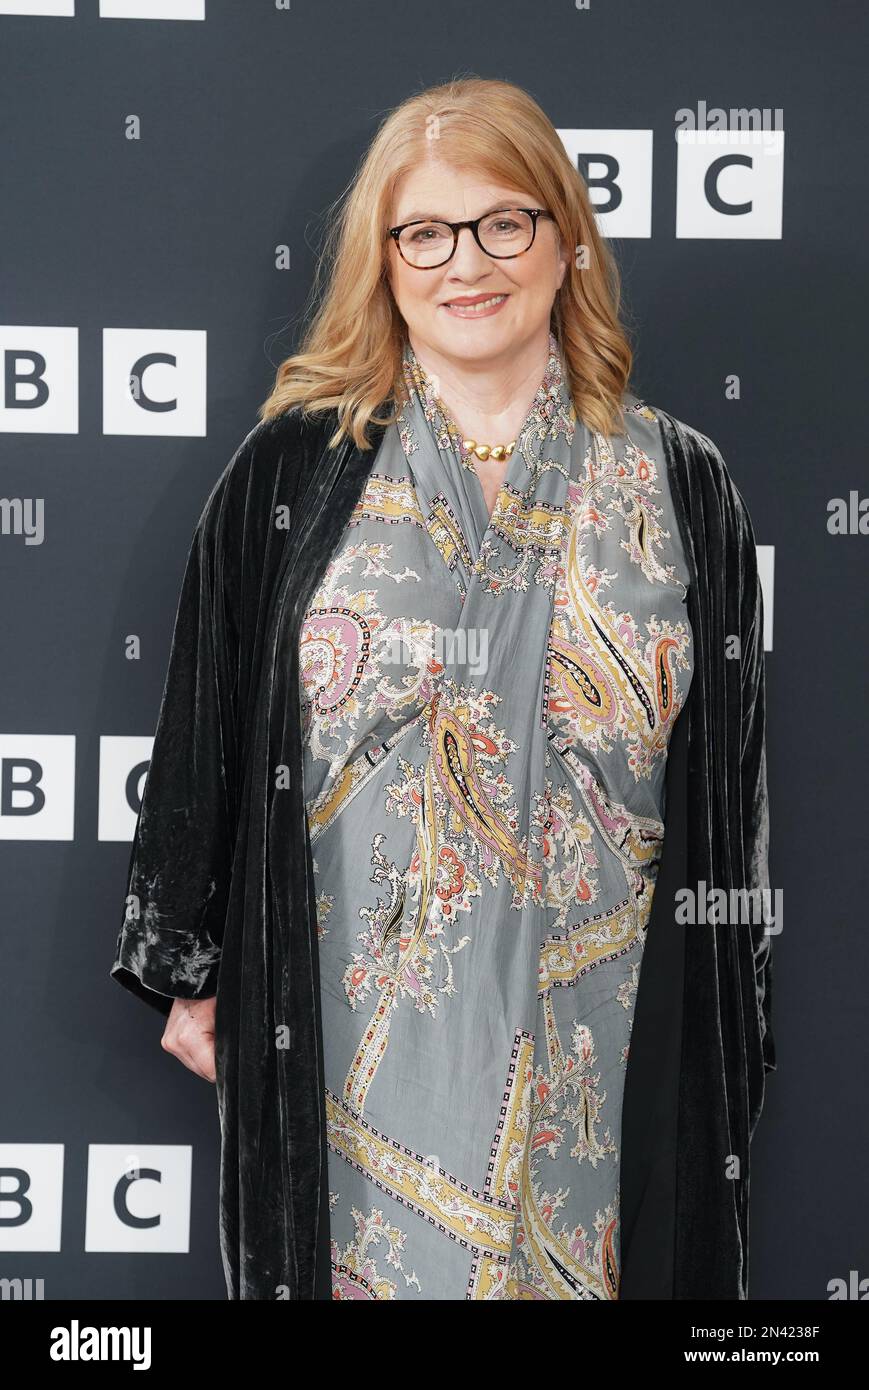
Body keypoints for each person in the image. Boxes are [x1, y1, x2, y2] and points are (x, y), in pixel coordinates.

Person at [111, 76, 775, 1300]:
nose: (463, 263)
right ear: (385, 258)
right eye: (424, 232)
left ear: (565, 239)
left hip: (600, 1022)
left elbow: (728, 800)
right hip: (350, 1023)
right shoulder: (292, 470)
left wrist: (732, 1016)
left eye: (500, 223)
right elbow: (205, 717)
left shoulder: (680, 483)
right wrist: (189, 961)